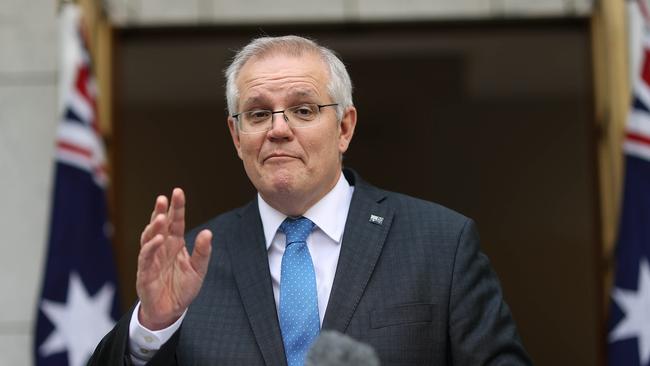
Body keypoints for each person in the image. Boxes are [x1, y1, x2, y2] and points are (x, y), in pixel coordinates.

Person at [89, 35, 531, 365]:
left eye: (303, 110)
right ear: (236, 135)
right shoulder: (191, 264)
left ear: (344, 128)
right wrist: (152, 326)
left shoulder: (440, 243)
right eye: (258, 113)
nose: (278, 129)